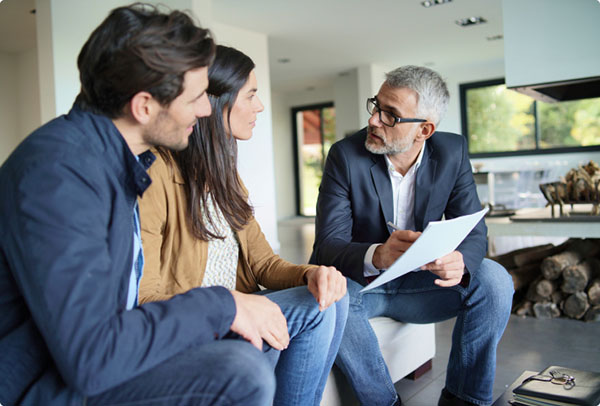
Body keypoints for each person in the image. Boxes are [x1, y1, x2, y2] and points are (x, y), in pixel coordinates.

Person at [0, 5, 277, 406]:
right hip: (47, 387)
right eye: (196, 97)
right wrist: (222, 304)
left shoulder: (110, 162)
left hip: (89, 364)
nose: (206, 109)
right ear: (144, 106)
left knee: (255, 340)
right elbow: (91, 357)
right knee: (240, 372)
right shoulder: (58, 173)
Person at [138, 45, 348, 406]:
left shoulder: (224, 174)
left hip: (237, 309)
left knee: (332, 296)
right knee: (314, 307)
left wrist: (312, 274)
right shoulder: (156, 173)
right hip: (199, 323)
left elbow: (264, 264)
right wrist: (229, 305)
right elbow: (145, 297)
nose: (260, 106)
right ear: (215, 101)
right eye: (250, 95)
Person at [310, 65, 514, 406]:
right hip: (363, 287)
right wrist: (377, 254)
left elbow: (474, 230)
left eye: (390, 115)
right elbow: (326, 247)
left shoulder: (452, 152)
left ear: (425, 129)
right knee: (333, 298)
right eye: (376, 106)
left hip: (422, 284)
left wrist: (460, 261)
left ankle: (464, 400)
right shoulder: (345, 155)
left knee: (495, 280)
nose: (374, 120)